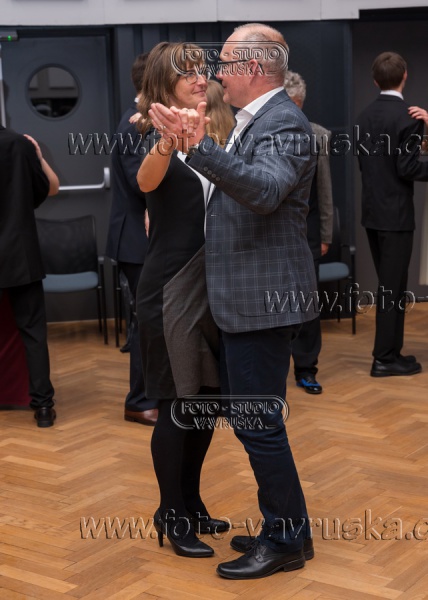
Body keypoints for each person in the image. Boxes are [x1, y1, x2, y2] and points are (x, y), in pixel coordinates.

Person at [149, 23, 318, 579]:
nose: (218, 74)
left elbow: (264, 192)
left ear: (252, 68)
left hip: (262, 302)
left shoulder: (283, 121)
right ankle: (288, 530)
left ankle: (285, 540)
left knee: (257, 423)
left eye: (224, 63)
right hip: (249, 300)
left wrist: (197, 147)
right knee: (256, 421)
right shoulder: (258, 120)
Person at [135, 41, 230, 559]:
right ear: (163, 82)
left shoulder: (210, 133)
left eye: (202, 70)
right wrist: (168, 141)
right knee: (176, 404)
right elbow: (145, 182)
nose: (200, 78)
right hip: (170, 290)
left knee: (206, 403)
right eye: (187, 72)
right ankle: (171, 515)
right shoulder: (149, 134)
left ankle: (190, 502)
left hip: (209, 289)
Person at [356, 52, 428, 377]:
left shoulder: (363, 117)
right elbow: (408, 168)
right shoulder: (409, 117)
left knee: (391, 287)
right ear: (405, 75)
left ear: (375, 81)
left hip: (373, 213)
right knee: (392, 288)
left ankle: (392, 353)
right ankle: (384, 358)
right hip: (396, 217)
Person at [105, 52, 158, 426]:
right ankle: (138, 402)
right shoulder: (134, 125)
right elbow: (144, 184)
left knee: (152, 321)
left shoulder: (146, 120)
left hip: (143, 239)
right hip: (136, 241)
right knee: (146, 323)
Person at [0, 127, 59, 427]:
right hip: (20, 255)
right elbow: (42, 192)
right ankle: (43, 407)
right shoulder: (20, 145)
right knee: (33, 332)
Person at [283, 70, 333, 395]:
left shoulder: (318, 135)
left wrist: (326, 234)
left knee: (307, 304)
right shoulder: (258, 133)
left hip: (307, 233)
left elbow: (324, 189)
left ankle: (306, 369)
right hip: (269, 234)